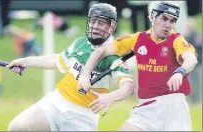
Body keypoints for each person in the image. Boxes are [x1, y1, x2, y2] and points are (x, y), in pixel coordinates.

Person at [6, 3, 135, 131]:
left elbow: (128, 87)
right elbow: (55, 60)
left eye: (100, 23)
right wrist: (25, 61)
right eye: (92, 21)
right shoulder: (81, 43)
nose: (94, 26)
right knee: (17, 127)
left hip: (83, 117)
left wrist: (111, 97)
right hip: (56, 103)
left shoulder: (115, 54)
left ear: (112, 27)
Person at [78, 1, 198, 131]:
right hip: (146, 107)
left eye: (172, 21)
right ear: (151, 17)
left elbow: (191, 59)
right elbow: (101, 51)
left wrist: (180, 71)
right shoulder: (137, 39)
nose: (168, 25)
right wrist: (85, 75)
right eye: (164, 18)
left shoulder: (177, 40)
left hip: (173, 108)